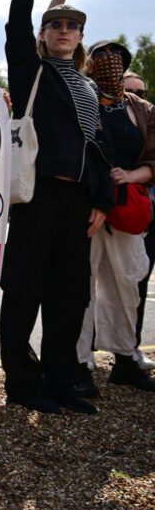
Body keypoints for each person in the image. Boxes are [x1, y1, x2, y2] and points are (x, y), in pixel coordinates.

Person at [0, 0, 112, 415]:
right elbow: (16, 26)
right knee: (24, 292)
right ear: (44, 36)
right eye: (56, 25)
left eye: (72, 26)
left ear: (80, 36)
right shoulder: (33, 72)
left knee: (70, 296)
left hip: (78, 203)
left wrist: (102, 201)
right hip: (37, 195)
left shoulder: (89, 85)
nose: (64, 31)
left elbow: (98, 147)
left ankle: (63, 380)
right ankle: (23, 384)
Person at [73, 41, 155, 393]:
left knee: (126, 284)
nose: (110, 63)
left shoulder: (142, 110)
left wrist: (131, 176)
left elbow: (152, 158)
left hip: (125, 211)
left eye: (116, 58)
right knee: (80, 288)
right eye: (101, 57)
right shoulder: (80, 98)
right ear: (89, 64)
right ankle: (77, 364)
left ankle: (124, 360)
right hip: (86, 210)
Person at [125, 71, 155, 371]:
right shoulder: (115, 123)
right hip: (115, 211)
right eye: (129, 91)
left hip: (146, 215)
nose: (135, 97)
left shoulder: (149, 124)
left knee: (139, 283)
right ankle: (85, 352)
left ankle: (130, 348)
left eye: (141, 93)